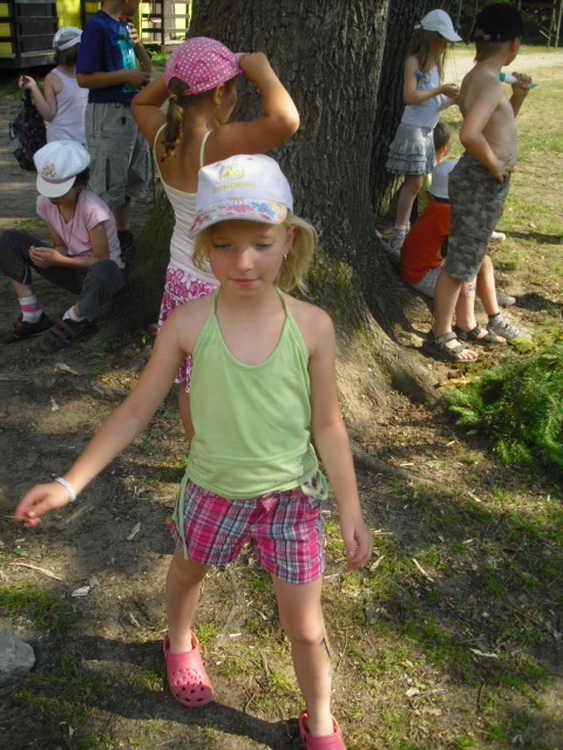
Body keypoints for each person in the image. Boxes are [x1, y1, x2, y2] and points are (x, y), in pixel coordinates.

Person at [15, 154, 373, 750]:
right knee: (187, 572)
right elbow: (135, 410)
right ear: (204, 247)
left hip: (292, 502)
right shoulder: (185, 324)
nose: (244, 261)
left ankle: (319, 719)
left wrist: (351, 508)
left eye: (261, 243)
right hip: (211, 491)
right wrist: (69, 483)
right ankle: (179, 642)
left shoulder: (313, 326)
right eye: (224, 245)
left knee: (307, 629)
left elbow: (328, 423)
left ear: (288, 240)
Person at [131, 37, 300, 438]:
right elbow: (285, 120)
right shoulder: (217, 143)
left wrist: (177, 74)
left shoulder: (163, 137)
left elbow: (140, 102)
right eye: (234, 89)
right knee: (237, 376)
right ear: (221, 92)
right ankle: (240, 448)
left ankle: (198, 452)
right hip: (222, 280)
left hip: (181, 275)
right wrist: (256, 65)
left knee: (192, 378)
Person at [430, 3, 531, 362]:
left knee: (470, 254)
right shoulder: (488, 82)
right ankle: (441, 334)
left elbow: (493, 126)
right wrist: (494, 165)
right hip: (481, 179)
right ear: (514, 45)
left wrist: (517, 97)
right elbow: (471, 134)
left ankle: (464, 323)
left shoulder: (480, 77)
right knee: (461, 260)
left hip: (479, 178)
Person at [0, 140, 125, 349]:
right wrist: (46, 255)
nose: (54, 197)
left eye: (60, 191)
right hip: (73, 268)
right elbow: (60, 245)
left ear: (79, 184)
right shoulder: (46, 203)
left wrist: (59, 260)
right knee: (8, 239)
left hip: (103, 277)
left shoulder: (93, 209)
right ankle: (31, 314)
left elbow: (101, 259)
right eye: (50, 190)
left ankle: (75, 317)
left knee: (106, 268)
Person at [401, 159, 521, 353]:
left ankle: (493, 314)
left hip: (424, 268)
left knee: (482, 260)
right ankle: (470, 323)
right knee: (466, 264)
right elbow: (459, 257)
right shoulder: (447, 214)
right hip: (421, 275)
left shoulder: (438, 208)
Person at [76, 0, 152, 250]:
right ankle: (101, 248)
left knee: (128, 179)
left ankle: (122, 235)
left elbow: (147, 69)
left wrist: (138, 45)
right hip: (108, 115)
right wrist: (125, 76)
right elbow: (83, 78)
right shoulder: (97, 26)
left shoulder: (124, 25)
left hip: (131, 111)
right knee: (106, 183)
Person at [385, 9, 461, 257]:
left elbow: (433, 103)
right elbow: (410, 97)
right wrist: (440, 89)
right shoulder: (413, 62)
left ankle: (401, 229)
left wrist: (452, 99)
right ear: (432, 38)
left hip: (426, 131)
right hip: (414, 130)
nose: (446, 45)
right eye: (443, 40)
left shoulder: (435, 66)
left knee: (415, 184)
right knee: (415, 183)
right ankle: (399, 233)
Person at [18, 27, 89, 145]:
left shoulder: (85, 73)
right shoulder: (52, 78)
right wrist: (34, 87)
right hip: (62, 142)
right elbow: (49, 115)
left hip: (85, 140)